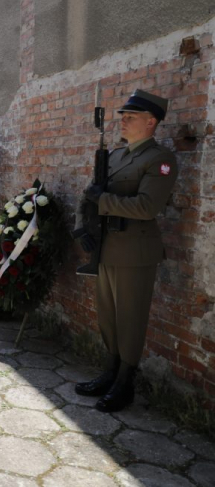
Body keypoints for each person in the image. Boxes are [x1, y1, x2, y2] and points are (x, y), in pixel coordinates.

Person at [74, 89, 178, 413]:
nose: (123, 121)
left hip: (135, 252)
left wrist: (101, 201)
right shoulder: (116, 156)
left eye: (130, 117)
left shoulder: (159, 160)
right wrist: (82, 226)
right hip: (106, 249)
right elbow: (88, 195)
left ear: (151, 122)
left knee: (130, 318)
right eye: (122, 116)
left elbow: (147, 206)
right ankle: (110, 371)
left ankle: (125, 383)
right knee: (108, 317)